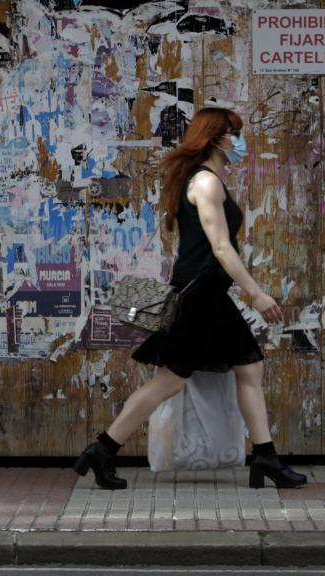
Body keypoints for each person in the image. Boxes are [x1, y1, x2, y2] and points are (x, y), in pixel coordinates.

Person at [73, 107, 307, 491]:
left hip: (210, 295)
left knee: (248, 369)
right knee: (171, 381)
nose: (239, 141)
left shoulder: (206, 179)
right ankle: (102, 449)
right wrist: (257, 293)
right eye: (235, 134)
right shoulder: (206, 183)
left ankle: (266, 456)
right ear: (217, 138)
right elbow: (221, 248)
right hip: (200, 297)